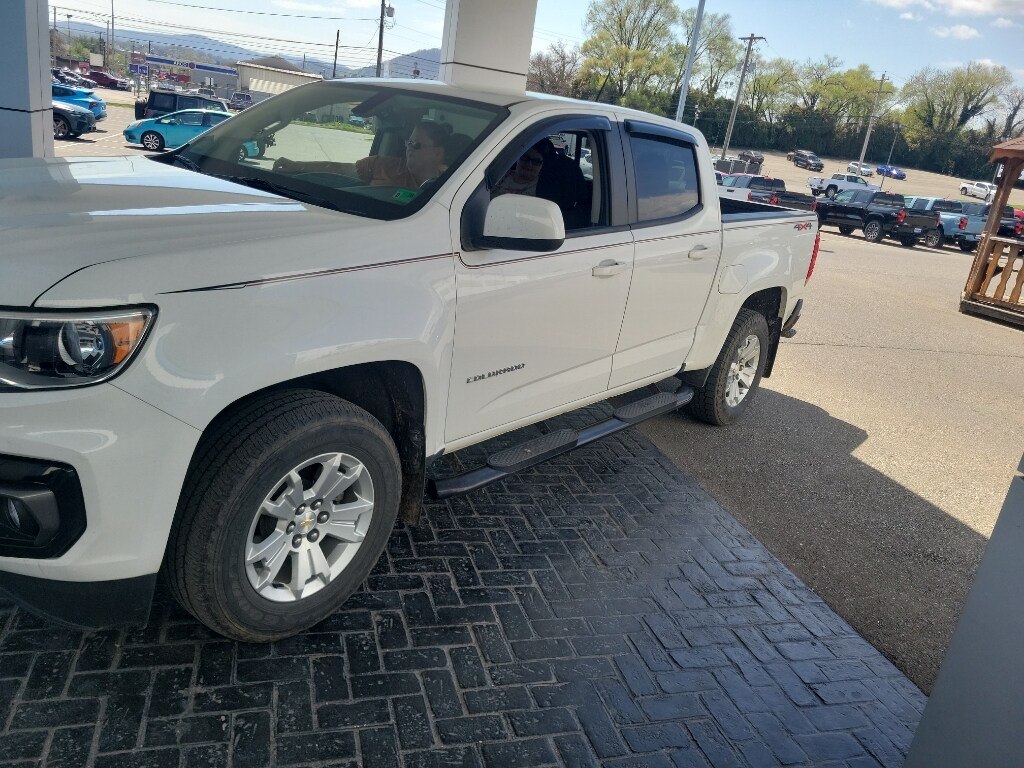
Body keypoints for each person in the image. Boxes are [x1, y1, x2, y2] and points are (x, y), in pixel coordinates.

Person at [272, 120, 451, 188]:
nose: (409, 148)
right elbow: (340, 169)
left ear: (438, 153)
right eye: (408, 142)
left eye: (416, 144)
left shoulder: (451, 184)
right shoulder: (382, 165)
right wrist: (296, 166)